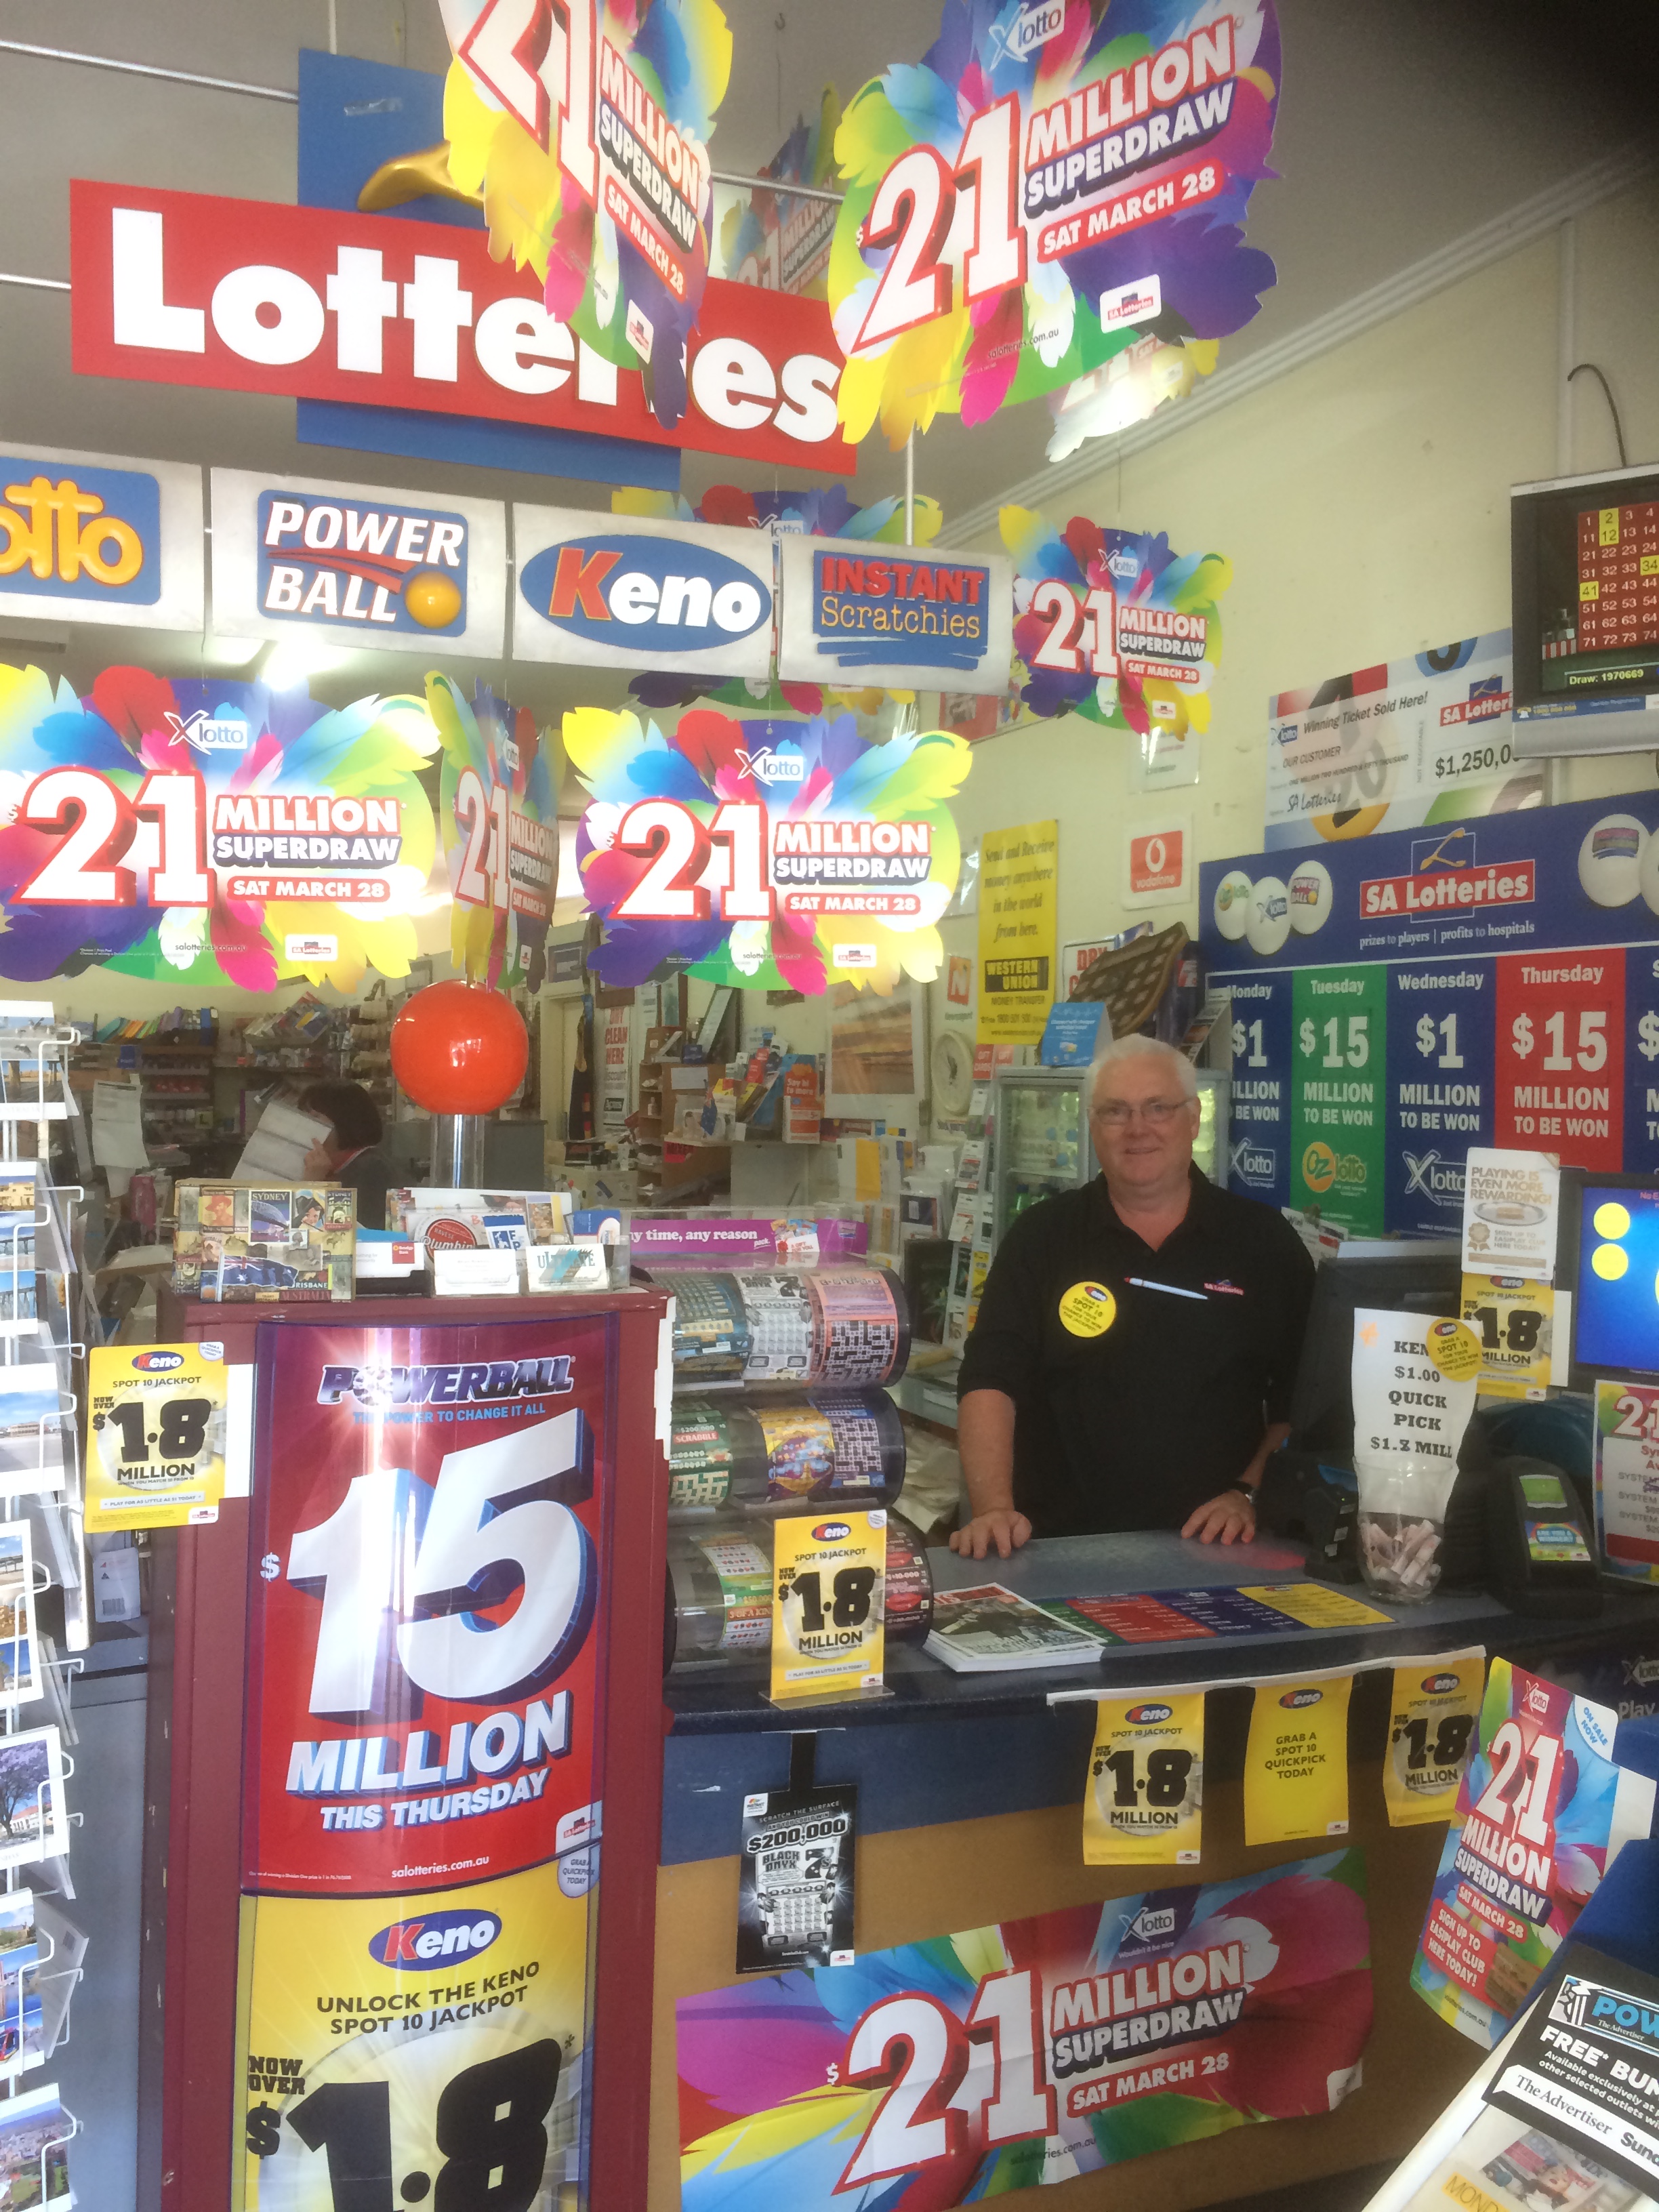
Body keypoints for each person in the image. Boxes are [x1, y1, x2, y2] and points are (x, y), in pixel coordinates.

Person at [950, 1035, 1315, 1559]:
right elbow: (990, 1380)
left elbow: (1302, 1401)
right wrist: (992, 1509)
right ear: (1092, 1125)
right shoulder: (1042, 1237)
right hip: (1056, 1547)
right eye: (1116, 1111)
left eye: (1158, 1108)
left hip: (1218, 1548)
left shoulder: (1261, 1241)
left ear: (1194, 1119)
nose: (1138, 1128)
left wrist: (1249, 1493)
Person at [298, 1081, 395, 1229]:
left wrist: (312, 1186)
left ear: (343, 1121)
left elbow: (342, 1233)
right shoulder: (339, 1167)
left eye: (314, 1118)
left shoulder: (371, 1169)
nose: (303, 1125)